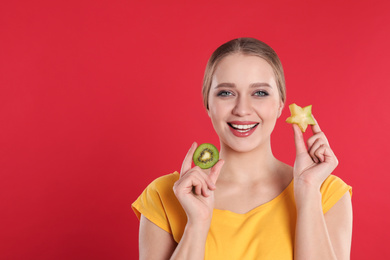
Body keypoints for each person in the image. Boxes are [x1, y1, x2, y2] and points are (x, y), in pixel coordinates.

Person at [132, 37, 353, 260]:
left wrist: (308, 194)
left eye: (260, 93)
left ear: (280, 105)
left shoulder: (326, 194)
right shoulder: (164, 195)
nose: (242, 109)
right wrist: (196, 227)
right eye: (226, 93)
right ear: (208, 104)